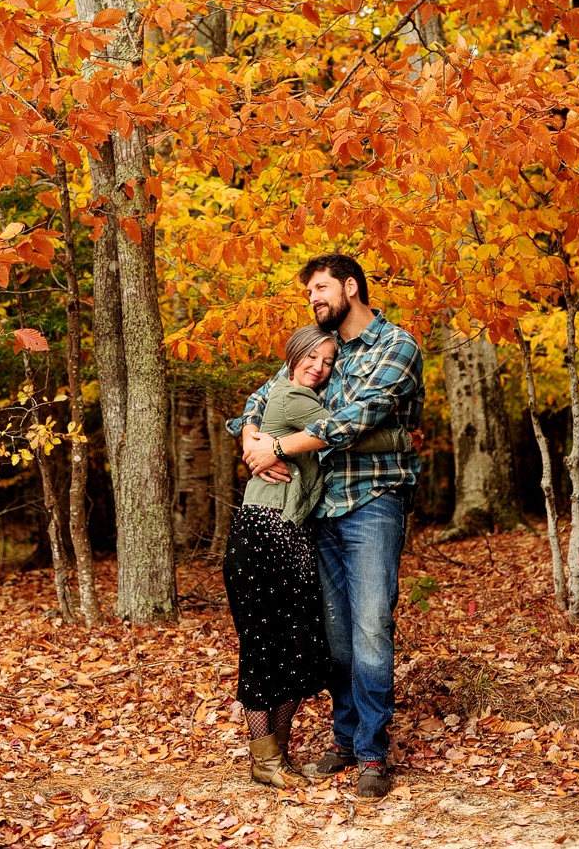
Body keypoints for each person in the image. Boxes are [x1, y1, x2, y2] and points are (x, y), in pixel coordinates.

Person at [229, 253, 424, 800]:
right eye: (310, 293)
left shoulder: (395, 346)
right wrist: (250, 437)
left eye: (321, 289)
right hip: (317, 511)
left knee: (368, 627)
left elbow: (356, 418)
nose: (314, 300)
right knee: (335, 633)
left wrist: (279, 444)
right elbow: (261, 398)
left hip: (371, 501)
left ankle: (371, 753)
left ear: (351, 287)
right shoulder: (322, 347)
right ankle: (343, 740)